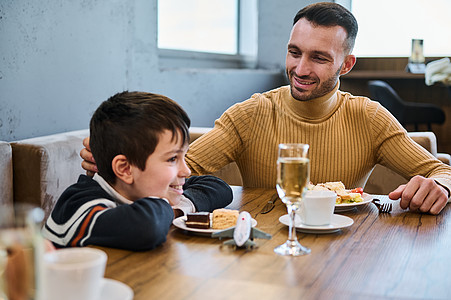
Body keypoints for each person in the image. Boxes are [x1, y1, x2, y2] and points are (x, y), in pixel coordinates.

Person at [80, 3, 451, 215]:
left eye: (319, 58)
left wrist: (439, 186)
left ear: (346, 64)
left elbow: (442, 170)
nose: (301, 69)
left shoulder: (368, 117)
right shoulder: (251, 113)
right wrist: (122, 161)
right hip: (260, 250)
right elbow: (182, 172)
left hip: (347, 252)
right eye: (294, 52)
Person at [43, 91, 232, 251]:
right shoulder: (78, 205)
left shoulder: (140, 187)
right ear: (125, 169)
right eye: (173, 159)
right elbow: (147, 226)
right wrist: (172, 209)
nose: (186, 170)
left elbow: (219, 188)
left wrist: (175, 206)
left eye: (184, 156)